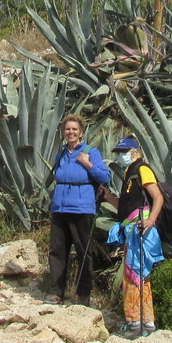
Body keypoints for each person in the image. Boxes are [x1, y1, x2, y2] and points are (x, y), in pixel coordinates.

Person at [100, 137, 165, 339]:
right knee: (134, 276)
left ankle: (138, 323)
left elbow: (158, 196)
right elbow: (125, 207)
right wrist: (108, 197)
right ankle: (142, 322)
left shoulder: (142, 169)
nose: (120, 155)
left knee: (136, 275)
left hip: (141, 231)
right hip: (132, 230)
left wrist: (151, 220)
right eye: (118, 152)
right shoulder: (130, 173)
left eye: (124, 151)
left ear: (135, 151)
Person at [44, 114, 111, 306]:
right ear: (63, 132)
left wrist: (88, 164)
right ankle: (56, 292)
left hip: (82, 209)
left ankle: (83, 295)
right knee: (57, 251)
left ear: (81, 132)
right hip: (60, 208)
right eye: (67, 129)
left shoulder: (91, 152)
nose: (70, 132)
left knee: (83, 252)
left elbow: (104, 177)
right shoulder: (61, 154)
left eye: (74, 129)